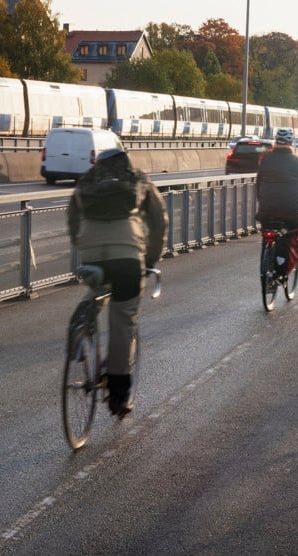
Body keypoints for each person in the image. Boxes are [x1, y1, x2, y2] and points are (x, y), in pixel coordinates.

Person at [67, 146, 167, 418]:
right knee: (123, 319)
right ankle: (119, 395)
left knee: (98, 288)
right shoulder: (138, 179)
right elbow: (158, 223)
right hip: (127, 256)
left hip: (91, 256)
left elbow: (73, 220)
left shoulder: (87, 181)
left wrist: (83, 245)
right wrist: (151, 261)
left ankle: (84, 316)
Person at [256, 128, 298, 277]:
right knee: (296, 229)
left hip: (266, 210)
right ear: (291, 142)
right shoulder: (297, 162)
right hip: (290, 211)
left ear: (275, 141)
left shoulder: (266, 159)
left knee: (267, 228)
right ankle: (284, 265)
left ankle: (267, 255)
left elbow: (258, 183)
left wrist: (261, 201)